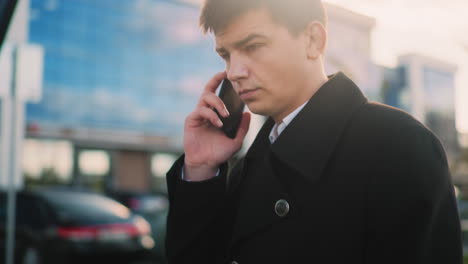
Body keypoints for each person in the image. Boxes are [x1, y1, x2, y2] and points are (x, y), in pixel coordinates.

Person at [165, 0, 462, 263]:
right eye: (226, 55)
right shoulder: (254, 160)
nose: (234, 72)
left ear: (313, 40)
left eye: (253, 46)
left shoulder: (399, 146)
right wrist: (201, 168)